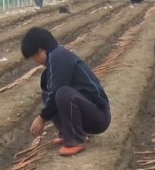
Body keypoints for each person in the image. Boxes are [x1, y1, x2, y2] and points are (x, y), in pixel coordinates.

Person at [21, 27, 111, 157]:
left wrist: (42, 118)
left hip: (100, 117)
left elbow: (58, 90)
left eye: (34, 57)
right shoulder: (55, 57)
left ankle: (76, 140)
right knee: (48, 93)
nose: (35, 62)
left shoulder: (58, 57)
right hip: (89, 112)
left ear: (40, 50)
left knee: (62, 93)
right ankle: (66, 133)